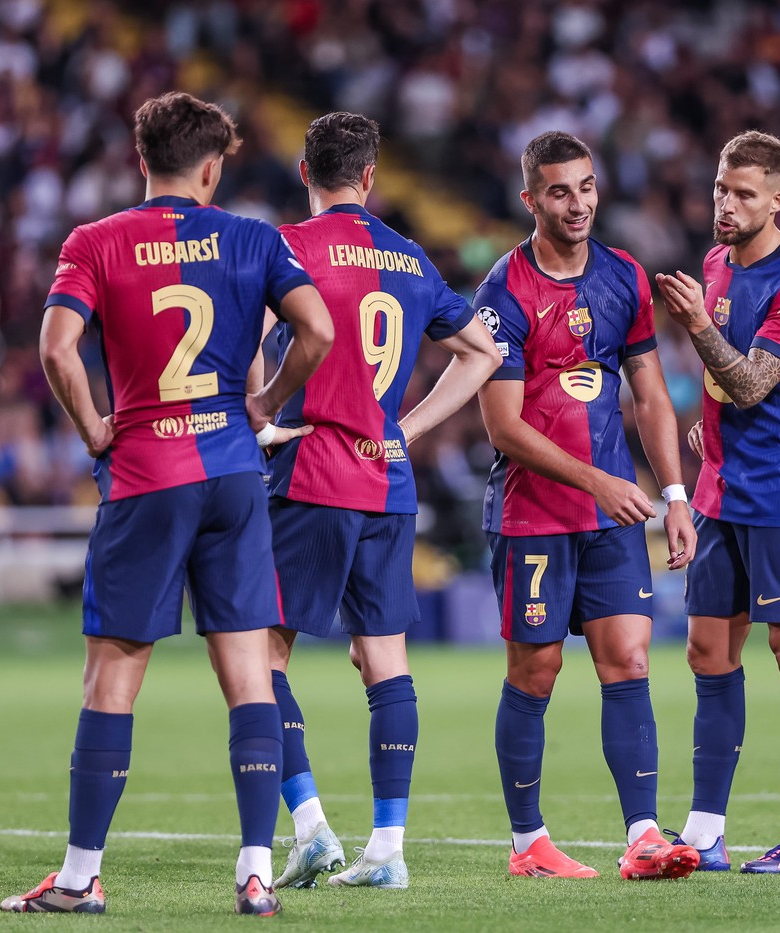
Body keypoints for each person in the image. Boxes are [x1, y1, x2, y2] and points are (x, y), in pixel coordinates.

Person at [1, 91, 334, 916]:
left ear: (141, 159)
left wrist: (91, 428)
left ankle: (79, 878)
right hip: (229, 472)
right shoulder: (254, 237)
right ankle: (256, 871)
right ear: (214, 167)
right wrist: (265, 406)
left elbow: (55, 347)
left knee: (112, 679)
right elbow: (319, 332)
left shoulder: (96, 241)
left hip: (147, 472)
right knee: (249, 675)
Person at [258, 112, 501, 890]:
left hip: (311, 469)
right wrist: (409, 425)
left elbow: (260, 338)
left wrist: (259, 408)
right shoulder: (407, 255)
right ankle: (388, 850)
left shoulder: (286, 248)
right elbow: (486, 352)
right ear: (370, 177)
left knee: (260, 657)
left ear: (305, 172)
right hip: (387, 482)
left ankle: (312, 828)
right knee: (382, 657)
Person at [475, 131, 699, 880]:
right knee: (535, 672)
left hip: (614, 518)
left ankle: (642, 834)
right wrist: (598, 480)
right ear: (530, 198)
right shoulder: (503, 292)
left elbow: (651, 395)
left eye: (588, 187)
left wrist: (673, 493)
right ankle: (527, 841)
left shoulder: (624, 277)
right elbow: (503, 425)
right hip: (534, 513)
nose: (579, 204)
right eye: (561, 191)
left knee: (629, 659)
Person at [656, 129, 780, 874]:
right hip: (719, 492)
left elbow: (758, 380)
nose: (727, 205)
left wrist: (699, 325)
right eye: (721, 190)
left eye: (745, 195)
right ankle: (705, 832)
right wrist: (711, 419)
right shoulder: (714, 265)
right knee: (707, 651)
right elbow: (731, 381)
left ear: (778, 202)